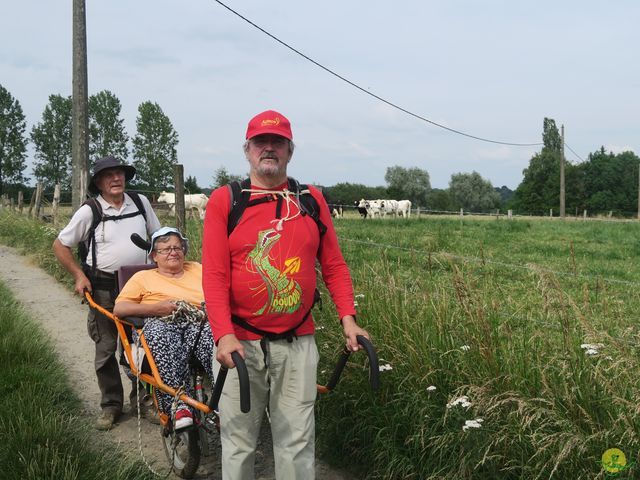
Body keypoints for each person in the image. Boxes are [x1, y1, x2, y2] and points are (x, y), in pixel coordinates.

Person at [202, 110, 371, 479]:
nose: (269, 149)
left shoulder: (311, 199)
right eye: (261, 142)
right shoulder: (225, 201)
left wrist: (349, 319)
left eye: (277, 142)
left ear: (290, 151)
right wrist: (223, 334)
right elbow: (213, 275)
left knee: (296, 441)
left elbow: (335, 266)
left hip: (297, 342)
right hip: (239, 346)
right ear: (247, 150)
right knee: (239, 441)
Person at [53, 155, 161, 430]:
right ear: (98, 182)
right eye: (109, 175)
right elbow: (60, 245)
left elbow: (159, 238)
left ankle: (144, 402)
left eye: (120, 173)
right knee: (106, 348)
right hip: (102, 289)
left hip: (140, 287)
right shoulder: (90, 210)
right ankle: (111, 405)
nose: (116, 178)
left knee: (144, 345)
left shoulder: (140, 203)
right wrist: (79, 275)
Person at [113, 227, 215, 429]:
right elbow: (120, 308)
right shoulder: (142, 277)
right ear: (154, 256)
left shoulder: (197, 268)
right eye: (165, 249)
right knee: (161, 335)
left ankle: (223, 401)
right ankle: (179, 404)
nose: (173, 252)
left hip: (198, 321)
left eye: (178, 247)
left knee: (215, 337)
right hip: (160, 321)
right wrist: (156, 308)